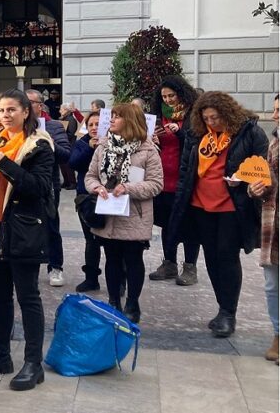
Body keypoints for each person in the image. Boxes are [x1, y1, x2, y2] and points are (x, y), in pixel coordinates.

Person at [0, 89, 53, 391]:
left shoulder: (39, 145)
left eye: (11, 110)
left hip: (23, 229)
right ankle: (0, 354)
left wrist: (5, 163)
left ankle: (33, 363)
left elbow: (39, 187)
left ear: (26, 112)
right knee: (0, 296)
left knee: (28, 297)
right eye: (2, 110)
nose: (5, 115)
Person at [167, 91, 269, 338]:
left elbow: (264, 168)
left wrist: (244, 181)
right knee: (211, 257)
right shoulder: (198, 135)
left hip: (232, 207)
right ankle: (221, 308)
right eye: (207, 118)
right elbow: (186, 170)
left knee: (227, 256)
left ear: (227, 113)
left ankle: (228, 312)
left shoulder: (250, 132)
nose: (211, 123)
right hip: (200, 205)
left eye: (215, 118)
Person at [85, 104, 164, 323]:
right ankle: (113, 301)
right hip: (108, 213)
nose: (111, 120)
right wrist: (97, 188)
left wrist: (128, 188)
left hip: (134, 214)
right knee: (111, 258)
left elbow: (156, 184)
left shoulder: (147, 150)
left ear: (130, 121)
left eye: (117, 117)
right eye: (112, 116)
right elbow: (90, 176)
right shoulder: (103, 146)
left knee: (133, 259)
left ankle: (132, 302)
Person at [148, 75, 202, 285]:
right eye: (164, 97)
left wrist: (180, 133)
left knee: (188, 223)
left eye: (172, 95)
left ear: (182, 93)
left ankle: (190, 267)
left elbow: (197, 142)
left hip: (186, 178)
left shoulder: (192, 114)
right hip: (163, 177)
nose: (168, 100)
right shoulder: (159, 115)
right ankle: (169, 263)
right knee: (166, 223)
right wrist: (152, 138)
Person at [26, 89, 71, 287]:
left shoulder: (53, 126)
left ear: (40, 105)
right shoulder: (18, 126)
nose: (26, 106)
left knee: (51, 225)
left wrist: (48, 141)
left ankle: (55, 267)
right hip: (24, 182)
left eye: (30, 102)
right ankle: (30, 265)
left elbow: (65, 155)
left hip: (48, 184)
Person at [248, 94, 278, 361]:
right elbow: (264, 179)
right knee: (271, 286)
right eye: (275, 110)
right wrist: (255, 187)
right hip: (272, 224)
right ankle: (277, 335)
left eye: (279, 111)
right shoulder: (273, 145)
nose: (275, 116)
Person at [69, 110, 104, 292]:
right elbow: (73, 163)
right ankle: (91, 278)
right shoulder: (82, 143)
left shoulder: (113, 142)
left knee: (114, 242)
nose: (94, 128)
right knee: (91, 240)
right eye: (90, 124)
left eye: (98, 124)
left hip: (108, 196)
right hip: (86, 199)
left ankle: (120, 280)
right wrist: (90, 148)